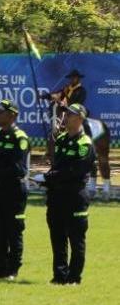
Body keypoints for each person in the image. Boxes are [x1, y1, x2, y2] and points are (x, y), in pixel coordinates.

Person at [41, 103, 95, 285]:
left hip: (75, 195)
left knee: (76, 238)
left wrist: (51, 176)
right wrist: (47, 178)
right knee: (57, 236)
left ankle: (74, 277)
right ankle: (59, 275)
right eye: (65, 114)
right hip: (57, 195)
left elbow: (76, 170)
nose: (65, 117)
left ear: (80, 118)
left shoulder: (84, 144)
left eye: (70, 115)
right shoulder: (62, 139)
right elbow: (56, 163)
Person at [0, 99, 29, 280]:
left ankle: (13, 269)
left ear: (12, 115)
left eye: (0, 112)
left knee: (13, 230)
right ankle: (0, 267)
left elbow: (18, 168)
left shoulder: (20, 138)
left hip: (13, 190)